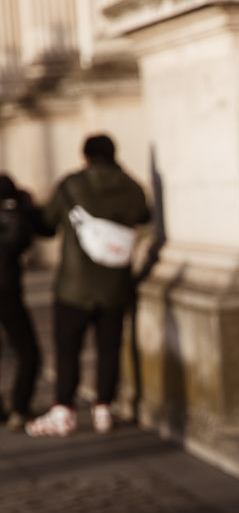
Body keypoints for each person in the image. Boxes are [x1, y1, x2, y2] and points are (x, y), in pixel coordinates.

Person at [26, 135, 150, 437]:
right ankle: (104, 409)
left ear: (85, 156)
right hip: (115, 284)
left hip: (74, 285)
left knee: (68, 349)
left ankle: (64, 410)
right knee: (109, 348)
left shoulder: (72, 185)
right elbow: (144, 216)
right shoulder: (132, 186)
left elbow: (47, 224)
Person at [0, 173, 50, 428]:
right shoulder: (15, 212)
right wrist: (26, 208)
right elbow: (43, 230)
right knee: (28, 351)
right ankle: (19, 407)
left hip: (8, 290)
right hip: (7, 291)